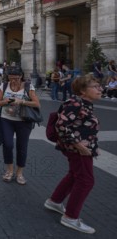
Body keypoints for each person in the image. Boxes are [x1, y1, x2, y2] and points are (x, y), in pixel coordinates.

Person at [44, 75, 100, 234]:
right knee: (86, 181)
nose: (100, 89)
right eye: (95, 86)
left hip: (80, 148)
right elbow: (61, 126)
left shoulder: (84, 103)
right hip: (77, 150)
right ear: (83, 91)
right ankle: (71, 217)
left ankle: (54, 201)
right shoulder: (76, 103)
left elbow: (82, 127)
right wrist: (78, 145)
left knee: (74, 175)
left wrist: (94, 145)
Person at [0, 66, 40, 185]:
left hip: (24, 121)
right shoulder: (4, 86)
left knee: (22, 146)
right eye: (11, 78)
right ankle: (9, 170)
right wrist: (6, 101)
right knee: (8, 145)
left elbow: (37, 104)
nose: (13, 80)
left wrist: (22, 101)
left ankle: (19, 173)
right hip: (6, 119)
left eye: (16, 78)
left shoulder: (28, 86)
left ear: (21, 76)